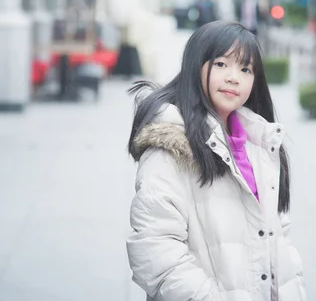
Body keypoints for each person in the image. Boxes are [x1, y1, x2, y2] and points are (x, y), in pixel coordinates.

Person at [126, 21, 306, 301]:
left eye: (245, 69)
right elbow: (156, 252)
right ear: (195, 66)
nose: (234, 77)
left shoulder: (261, 144)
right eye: (221, 64)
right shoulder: (170, 146)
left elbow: (279, 239)